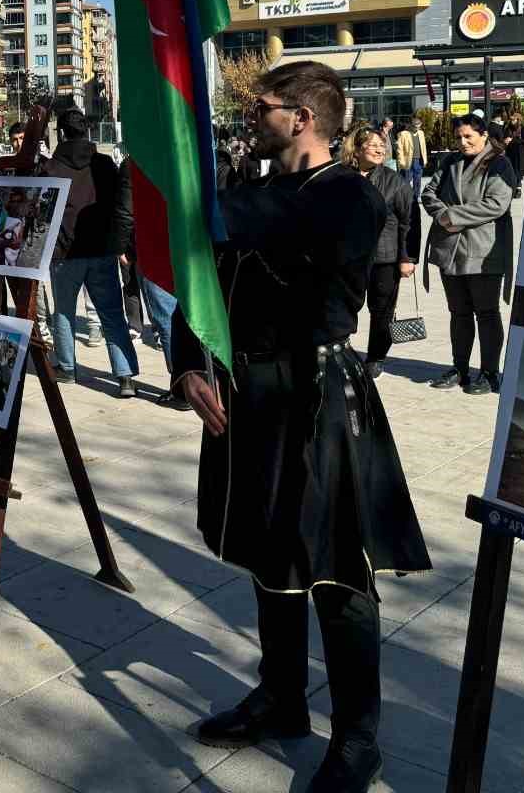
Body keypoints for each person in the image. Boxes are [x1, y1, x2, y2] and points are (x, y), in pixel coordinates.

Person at [171, 62, 429, 792]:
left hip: (312, 393)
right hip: (243, 389)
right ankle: (281, 697)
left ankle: (357, 740)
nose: (253, 115)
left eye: (264, 106)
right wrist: (189, 363)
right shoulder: (251, 191)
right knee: (265, 555)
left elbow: (245, 226)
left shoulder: (347, 196)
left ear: (305, 118)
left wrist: (184, 180)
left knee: (337, 573)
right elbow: (202, 279)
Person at [41, 109, 139, 397]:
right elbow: (118, 206)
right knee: (111, 314)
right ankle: (125, 378)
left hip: (65, 252)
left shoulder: (50, 169)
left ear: (60, 133)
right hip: (100, 251)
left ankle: (68, 368)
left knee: (64, 313)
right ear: (87, 131)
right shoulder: (105, 164)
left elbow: (44, 213)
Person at [420, 114, 516, 396]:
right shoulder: (450, 161)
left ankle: (489, 373)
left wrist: (452, 215)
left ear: (484, 135)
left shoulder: (499, 163)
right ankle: (459, 367)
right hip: (449, 248)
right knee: (458, 313)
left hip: (483, 249)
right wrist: (442, 216)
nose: (462, 143)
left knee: (486, 313)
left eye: (468, 137)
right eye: (459, 138)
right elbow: (429, 193)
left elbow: (496, 204)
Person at [341, 126, 419, 378]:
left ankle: (376, 357)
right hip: (348, 258)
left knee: (382, 309)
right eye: (372, 144)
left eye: (382, 145)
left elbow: (410, 219)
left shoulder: (393, 180)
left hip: (385, 256)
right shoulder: (341, 177)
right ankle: (341, 352)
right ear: (357, 147)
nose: (379, 149)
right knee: (343, 306)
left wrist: (407, 257)